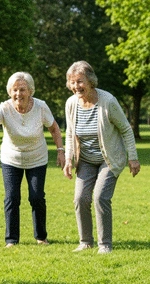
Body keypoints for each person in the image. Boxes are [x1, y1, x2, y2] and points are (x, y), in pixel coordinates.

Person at [0, 71, 65, 248]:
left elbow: (54, 129)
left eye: (22, 89)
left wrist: (60, 151)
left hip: (37, 157)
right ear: (9, 92)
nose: (18, 94)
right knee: (12, 197)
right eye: (14, 90)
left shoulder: (41, 107)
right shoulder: (4, 108)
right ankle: (11, 240)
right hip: (11, 158)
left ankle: (41, 237)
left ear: (30, 91)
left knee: (36, 197)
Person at [63, 61, 141, 254]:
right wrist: (68, 160)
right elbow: (70, 133)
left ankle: (105, 244)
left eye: (80, 81)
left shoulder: (108, 101)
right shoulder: (71, 103)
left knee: (100, 197)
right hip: (86, 160)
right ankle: (85, 241)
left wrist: (133, 158)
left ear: (90, 81)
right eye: (72, 82)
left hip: (109, 159)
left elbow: (125, 129)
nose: (76, 86)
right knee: (80, 198)